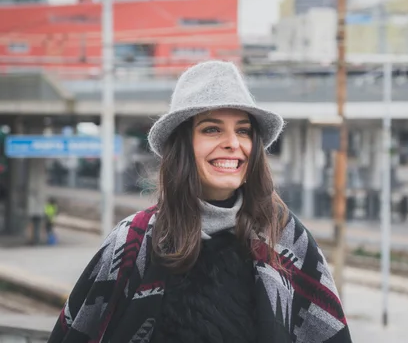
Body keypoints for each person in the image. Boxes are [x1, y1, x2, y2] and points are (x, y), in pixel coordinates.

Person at [48, 61, 352, 343]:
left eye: (243, 131)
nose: (233, 143)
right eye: (212, 129)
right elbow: (76, 331)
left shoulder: (286, 237)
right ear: (183, 145)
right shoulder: (134, 239)